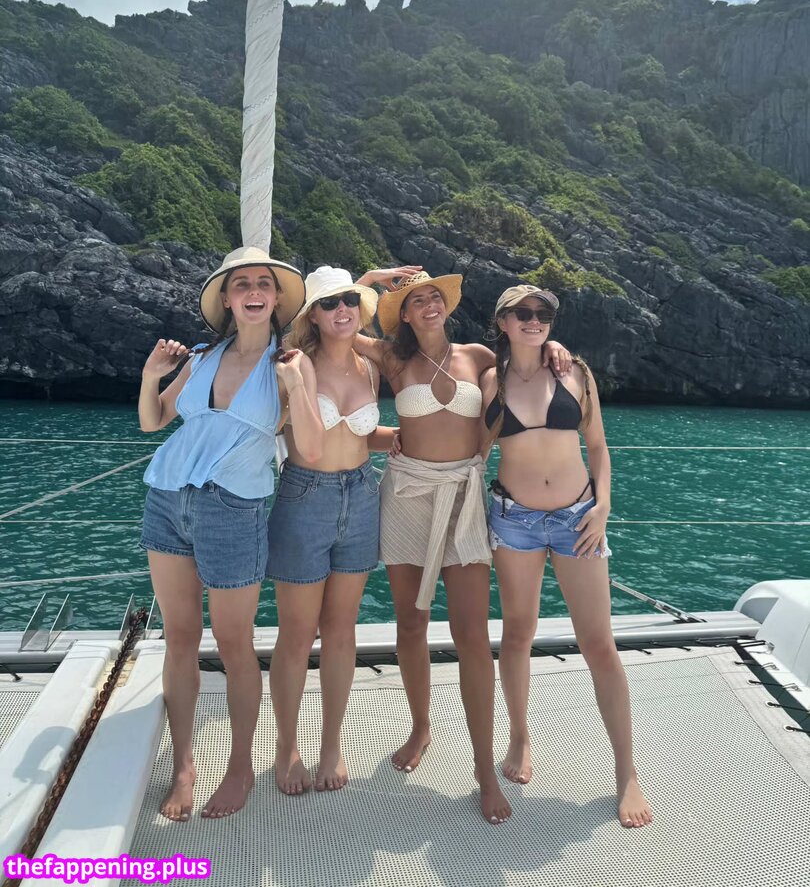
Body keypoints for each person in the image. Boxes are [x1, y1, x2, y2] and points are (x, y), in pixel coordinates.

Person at [352, 268, 570, 825]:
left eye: (435, 296)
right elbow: (323, 323)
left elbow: (527, 363)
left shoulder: (478, 357)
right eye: (416, 300)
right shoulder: (391, 358)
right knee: (410, 624)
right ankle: (421, 726)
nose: (428, 304)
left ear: (445, 305)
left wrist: (555, 348)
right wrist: (370, 278)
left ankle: (483, 768)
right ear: (403, 313)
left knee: (472, 634)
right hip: (407, 495)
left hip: (465, 499)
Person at [138, 246, 322, 822]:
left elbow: (311, 448)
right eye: (241, 283)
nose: (253, 291)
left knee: (234, 644)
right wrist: (150, 376)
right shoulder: (200, 357)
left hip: (234, 509)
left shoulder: (289, 362)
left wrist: (297, 388)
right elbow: (152, 420)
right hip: (167, 498)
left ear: (276, 298)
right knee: (179, 638)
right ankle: (183, 765)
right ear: (226, 297)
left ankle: (240, 766)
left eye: (263, 282)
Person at [480, 283, 653, 828]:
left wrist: (603, 507)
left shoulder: (575, 372)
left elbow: (597, 446)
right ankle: (519, 736)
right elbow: (471, 447)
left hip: (578, 518)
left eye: (544, 314)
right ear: (503, 321)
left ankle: (626, 771)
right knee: (517, 633)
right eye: (523, 313)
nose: (534, 321)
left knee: (599, 642)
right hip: (515, 521)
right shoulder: (489, 379)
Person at [266, 266, 399, 796]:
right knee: (298, 634)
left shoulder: (370, 365)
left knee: (342, 631)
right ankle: (287, 747)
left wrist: (416, 437)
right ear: (312, 315)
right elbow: (309, 439)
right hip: (305, 497)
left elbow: (362, 436)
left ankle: (331, 744)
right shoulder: (295, 363)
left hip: (362, 494)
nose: (341, 309)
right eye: (327, 303)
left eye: (349, 300)